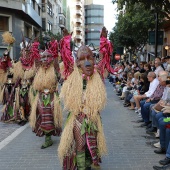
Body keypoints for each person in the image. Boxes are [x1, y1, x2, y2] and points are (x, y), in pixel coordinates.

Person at [58, 45, 107, 170]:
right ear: (77, 62)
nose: (87, 63)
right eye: (82, 59)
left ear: (94, 60)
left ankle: (88, 163)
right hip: (78, 117)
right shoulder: (71, 78)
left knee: (92, 143)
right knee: (80, 144)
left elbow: (105, 58)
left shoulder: (97, 77)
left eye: (89, 58)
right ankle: (81, 167)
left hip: (92, 117)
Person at [29, 38, 62, 149]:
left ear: (52, 58)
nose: (45, 59)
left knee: (50, 117)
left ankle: (49, 138)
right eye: (43, 57)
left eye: (48, 56)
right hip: (41, 97)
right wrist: (34, 47)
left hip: (52, 97)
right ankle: (47, 138)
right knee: (42, 117)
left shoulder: (55, 68)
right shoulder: (38, 69)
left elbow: (59, 74)